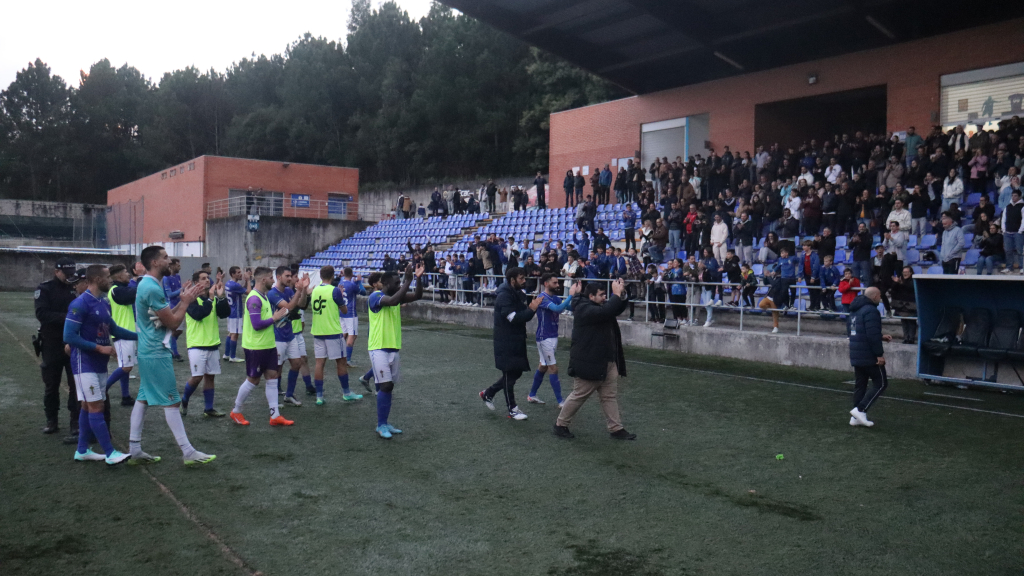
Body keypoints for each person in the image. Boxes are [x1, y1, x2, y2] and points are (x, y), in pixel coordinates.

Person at [129, 246, 215, 465]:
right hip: (156, 352)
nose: (170, 261)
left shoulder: (148, 284)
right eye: (165, 258)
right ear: (155, 262)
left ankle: (134, 448)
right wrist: (186, 302)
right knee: (172, 402)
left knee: (143, 398)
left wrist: (182, 300)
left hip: (150, 350)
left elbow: (167, 315)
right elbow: (173, 322)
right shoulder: (151, 287)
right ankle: (187, 452)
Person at [63, 264, 134, 465]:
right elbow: (68, 336)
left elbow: (115, 329)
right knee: (96, 406)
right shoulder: (80, 303)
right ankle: (110, 453)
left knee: (88, 404)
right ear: (95, 279)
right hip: (83, 363)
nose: (110, 279)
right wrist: (98, 348)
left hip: (99, 364)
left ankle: (82, 450)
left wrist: (141, 336)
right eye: (106, 276)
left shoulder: (104, 302)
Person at [553, 279, 635, 440]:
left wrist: (622, 294)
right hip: (589, 362)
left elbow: (614, 308)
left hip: (606, 362)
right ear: (591, 296)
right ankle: (560, 425)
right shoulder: (584, 308)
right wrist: (616, 294)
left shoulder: (594, 306)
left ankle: (616, 428)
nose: (605, 297)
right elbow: (606, 311)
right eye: (601, 295)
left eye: (606, 295)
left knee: (609, 396)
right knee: (579, 395)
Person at [229, 267, 295, 427]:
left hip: (268, 345)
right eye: (271, 278)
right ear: (263, 279)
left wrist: (276, 320)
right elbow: (257, 324)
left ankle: (275, 415)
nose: (273, 280)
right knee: (253, 381)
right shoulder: (254, 299)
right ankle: (236, 411)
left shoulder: (263, 297)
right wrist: (274, 318)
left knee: (272, 376)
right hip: (255, 347)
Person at [367, 265, 425, 438]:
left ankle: (384, 422)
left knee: (387, 387)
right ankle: (381, 425)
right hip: (378, 347)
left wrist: (418, 279)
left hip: (393, 347)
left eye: (401, 282)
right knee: (386, 385)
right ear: (385, 283)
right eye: (397, 283)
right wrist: (408, 280)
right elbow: (391, 301)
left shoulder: (395, 297)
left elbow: (418, 295)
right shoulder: (375, 296)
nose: (400, 285)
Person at [480, 267, 543, 420]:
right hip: (505, 340)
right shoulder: (504, 296)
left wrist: (530, 308)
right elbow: (513, 318)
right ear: (512, 279)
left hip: (515, 339)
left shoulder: (518, 293)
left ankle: (488, 393)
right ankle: (512, 409)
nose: (524, 281)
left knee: (516, 371)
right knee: (509, 373)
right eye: (521, 278)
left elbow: (522, 312)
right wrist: (532, 310)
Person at [36, 256, 81, 439]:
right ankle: (51, 421)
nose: (69, 277)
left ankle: (75, 423)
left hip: (73, 342)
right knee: (51, 385)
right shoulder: (45, 289)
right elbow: (42, 314)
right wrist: (69, 318)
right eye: (66, 273)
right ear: (56, 272)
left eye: (72, 273)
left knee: (75, 385)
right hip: (52, 343)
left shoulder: (76, 288)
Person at [180, 270, 230, 417]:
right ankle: (184, 399)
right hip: (196, 344)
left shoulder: (212, 298)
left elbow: (224, 314)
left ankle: (208, 409)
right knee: (197, 377)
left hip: (212, 343)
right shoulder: (191, 300)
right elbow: (199, 314)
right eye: (203, 278)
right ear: (196, 283)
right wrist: (210, 299)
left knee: (210, 377)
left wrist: (221, 298)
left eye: (208, 278)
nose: (207, 280)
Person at [527, 274, 579, 407]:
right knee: (553, 368)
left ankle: (532, 395)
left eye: (558, 283)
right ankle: (561, 401)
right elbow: (558, 309)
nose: (558, 285)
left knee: (543, 366)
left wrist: (578, 296)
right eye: (555, 283)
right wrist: (571, 295)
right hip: (544, 337)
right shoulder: (542, 298)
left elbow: (569, 307)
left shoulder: (554, 297)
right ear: (546, 283)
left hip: (551, 336)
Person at [267, 266, 315, 406]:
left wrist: (304, 291)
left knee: (297, 363)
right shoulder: (272, 293)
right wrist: (299, 291)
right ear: (279, 277)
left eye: (290, 276)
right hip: (277, 336)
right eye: (287, 276)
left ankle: (288, 395)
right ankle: (274, 399)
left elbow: (301, 305)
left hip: (290, 335)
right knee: (277, 369)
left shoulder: (288, 290)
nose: (289, 278)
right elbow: (287, 307)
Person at [847, 287, 893, 428]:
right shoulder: (872, 310)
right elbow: (871, 334)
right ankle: (860, 409)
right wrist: (879, 354)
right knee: (881, 383)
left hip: (856, 352)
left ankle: (855, 418)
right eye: (880, 295)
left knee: (860, 384)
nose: (880, 298)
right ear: (874, 296)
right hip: (868, 354)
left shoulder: (854, 309)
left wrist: (880, 336)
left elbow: (854, 331)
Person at [310, 266, 354, 406]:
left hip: (318, 331)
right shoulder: (334, 290)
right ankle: (346, 393)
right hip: (333, 332)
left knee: (319, 364)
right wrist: (340, 296)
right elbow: (345, 310)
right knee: (341, 362)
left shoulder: (315, 290)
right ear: (332, 276)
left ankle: (319, 396)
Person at [105, 264, 137, 406]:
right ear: (118, 276)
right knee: (126, 367)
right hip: (123, 333)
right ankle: (102, 389)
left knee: (125, 366)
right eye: (125, 272)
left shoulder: (119, 289)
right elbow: (132, 294)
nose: (128, 274)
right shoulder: (116, 290)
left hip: (125, 333)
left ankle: (125, 396)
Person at [338, 267, 366, 365]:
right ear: (351, 274)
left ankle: (340, 356)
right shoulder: (352, 284)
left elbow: (341, 278)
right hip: (351, 314)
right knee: (352, 335)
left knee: (344, 334)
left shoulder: (340, 283)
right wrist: (359, 282)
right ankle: (347, 360)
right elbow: (363, 292)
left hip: (342, 312)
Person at [223, 267, 251, 363]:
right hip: (236, 313)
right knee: (235, 334)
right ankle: (233, 356)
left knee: (230, 333)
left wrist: (245, 282)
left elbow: (241, 289)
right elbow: (249, 292)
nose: (240, 274)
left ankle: (226, 354)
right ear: (233, 274)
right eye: (238, 272)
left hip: (230, 311)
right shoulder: (235, 285)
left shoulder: (229, 283)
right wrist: (249, 280)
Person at [161, 258, 184, 362]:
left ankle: (169, 347)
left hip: (179, 305)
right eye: (178, 265)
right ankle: (175, 353)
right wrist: (182, 289)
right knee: (174, 330)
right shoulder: (166, 278)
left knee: (179, 331)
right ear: (172, 266)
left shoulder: (177, 277)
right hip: (171, 306)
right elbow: (170, 294)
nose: (180, 267)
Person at [890, 267, 917, 344]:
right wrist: (896, 282)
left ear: (911, 273)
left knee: (911, 322)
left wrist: (901, 283)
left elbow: (911, 288)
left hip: (911, 305)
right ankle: (906, 337)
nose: (905, 274)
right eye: (904, 272)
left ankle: (911, 338)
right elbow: (893, 289)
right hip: (901, 305)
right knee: (904, 321)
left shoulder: (913, 281)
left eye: (907, 272)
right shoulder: (900, 280)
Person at [758, 268, 787, 334]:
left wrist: (769, 276)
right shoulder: (773, 277)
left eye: (774, 271)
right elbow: (766, 283)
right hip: (769, 296)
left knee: (775, 314)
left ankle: (775, 327)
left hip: (776, 298)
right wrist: (765, 276)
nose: (772, 272)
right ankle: (772, 309)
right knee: (761, 305)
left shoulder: (781, 279)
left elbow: (774, 284)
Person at [1002, 189, 1023, 274]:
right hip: (1008, 232)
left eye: (1015, 196)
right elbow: (1004, 219)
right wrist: (1004, 230)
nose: (1013, 197)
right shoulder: (1008, 207)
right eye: (1012, 196)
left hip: (1018, 233)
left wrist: (1020, 231)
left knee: (1019, 251)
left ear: (1019, 197)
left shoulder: (1022, 206)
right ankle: (1009, 267)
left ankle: (1022, 267)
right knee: (1008, 251)